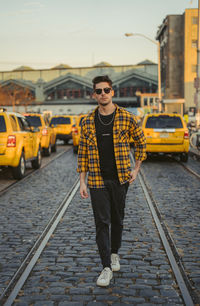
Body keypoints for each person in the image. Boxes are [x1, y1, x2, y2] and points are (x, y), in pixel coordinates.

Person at [77, 75, 146, 287]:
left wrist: (136, 170)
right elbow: (83, 154)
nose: (103, 94)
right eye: (99, 91)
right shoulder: (87, 121)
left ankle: (114, 253)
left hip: (120, 179)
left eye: (106, 90)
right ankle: (106, 267)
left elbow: (142, 144)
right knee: (101, 224)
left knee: (118, 219)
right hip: (97, 180)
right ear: (93, 95)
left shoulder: (127, 117)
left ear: (112, 92)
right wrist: (82, 181)